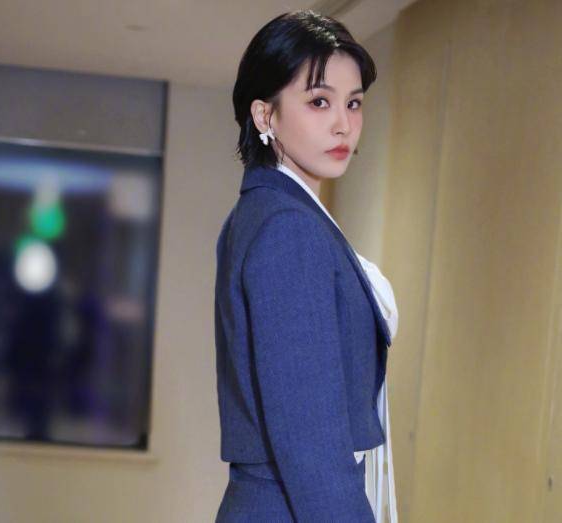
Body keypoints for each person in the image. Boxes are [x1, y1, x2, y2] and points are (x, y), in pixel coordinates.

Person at [214, 9, 398, 522]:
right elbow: (311, 446)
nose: (344, 124)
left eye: (353, 103)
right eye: (319, 101)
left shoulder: (266, 213)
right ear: (264, 116)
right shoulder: (287, 228)